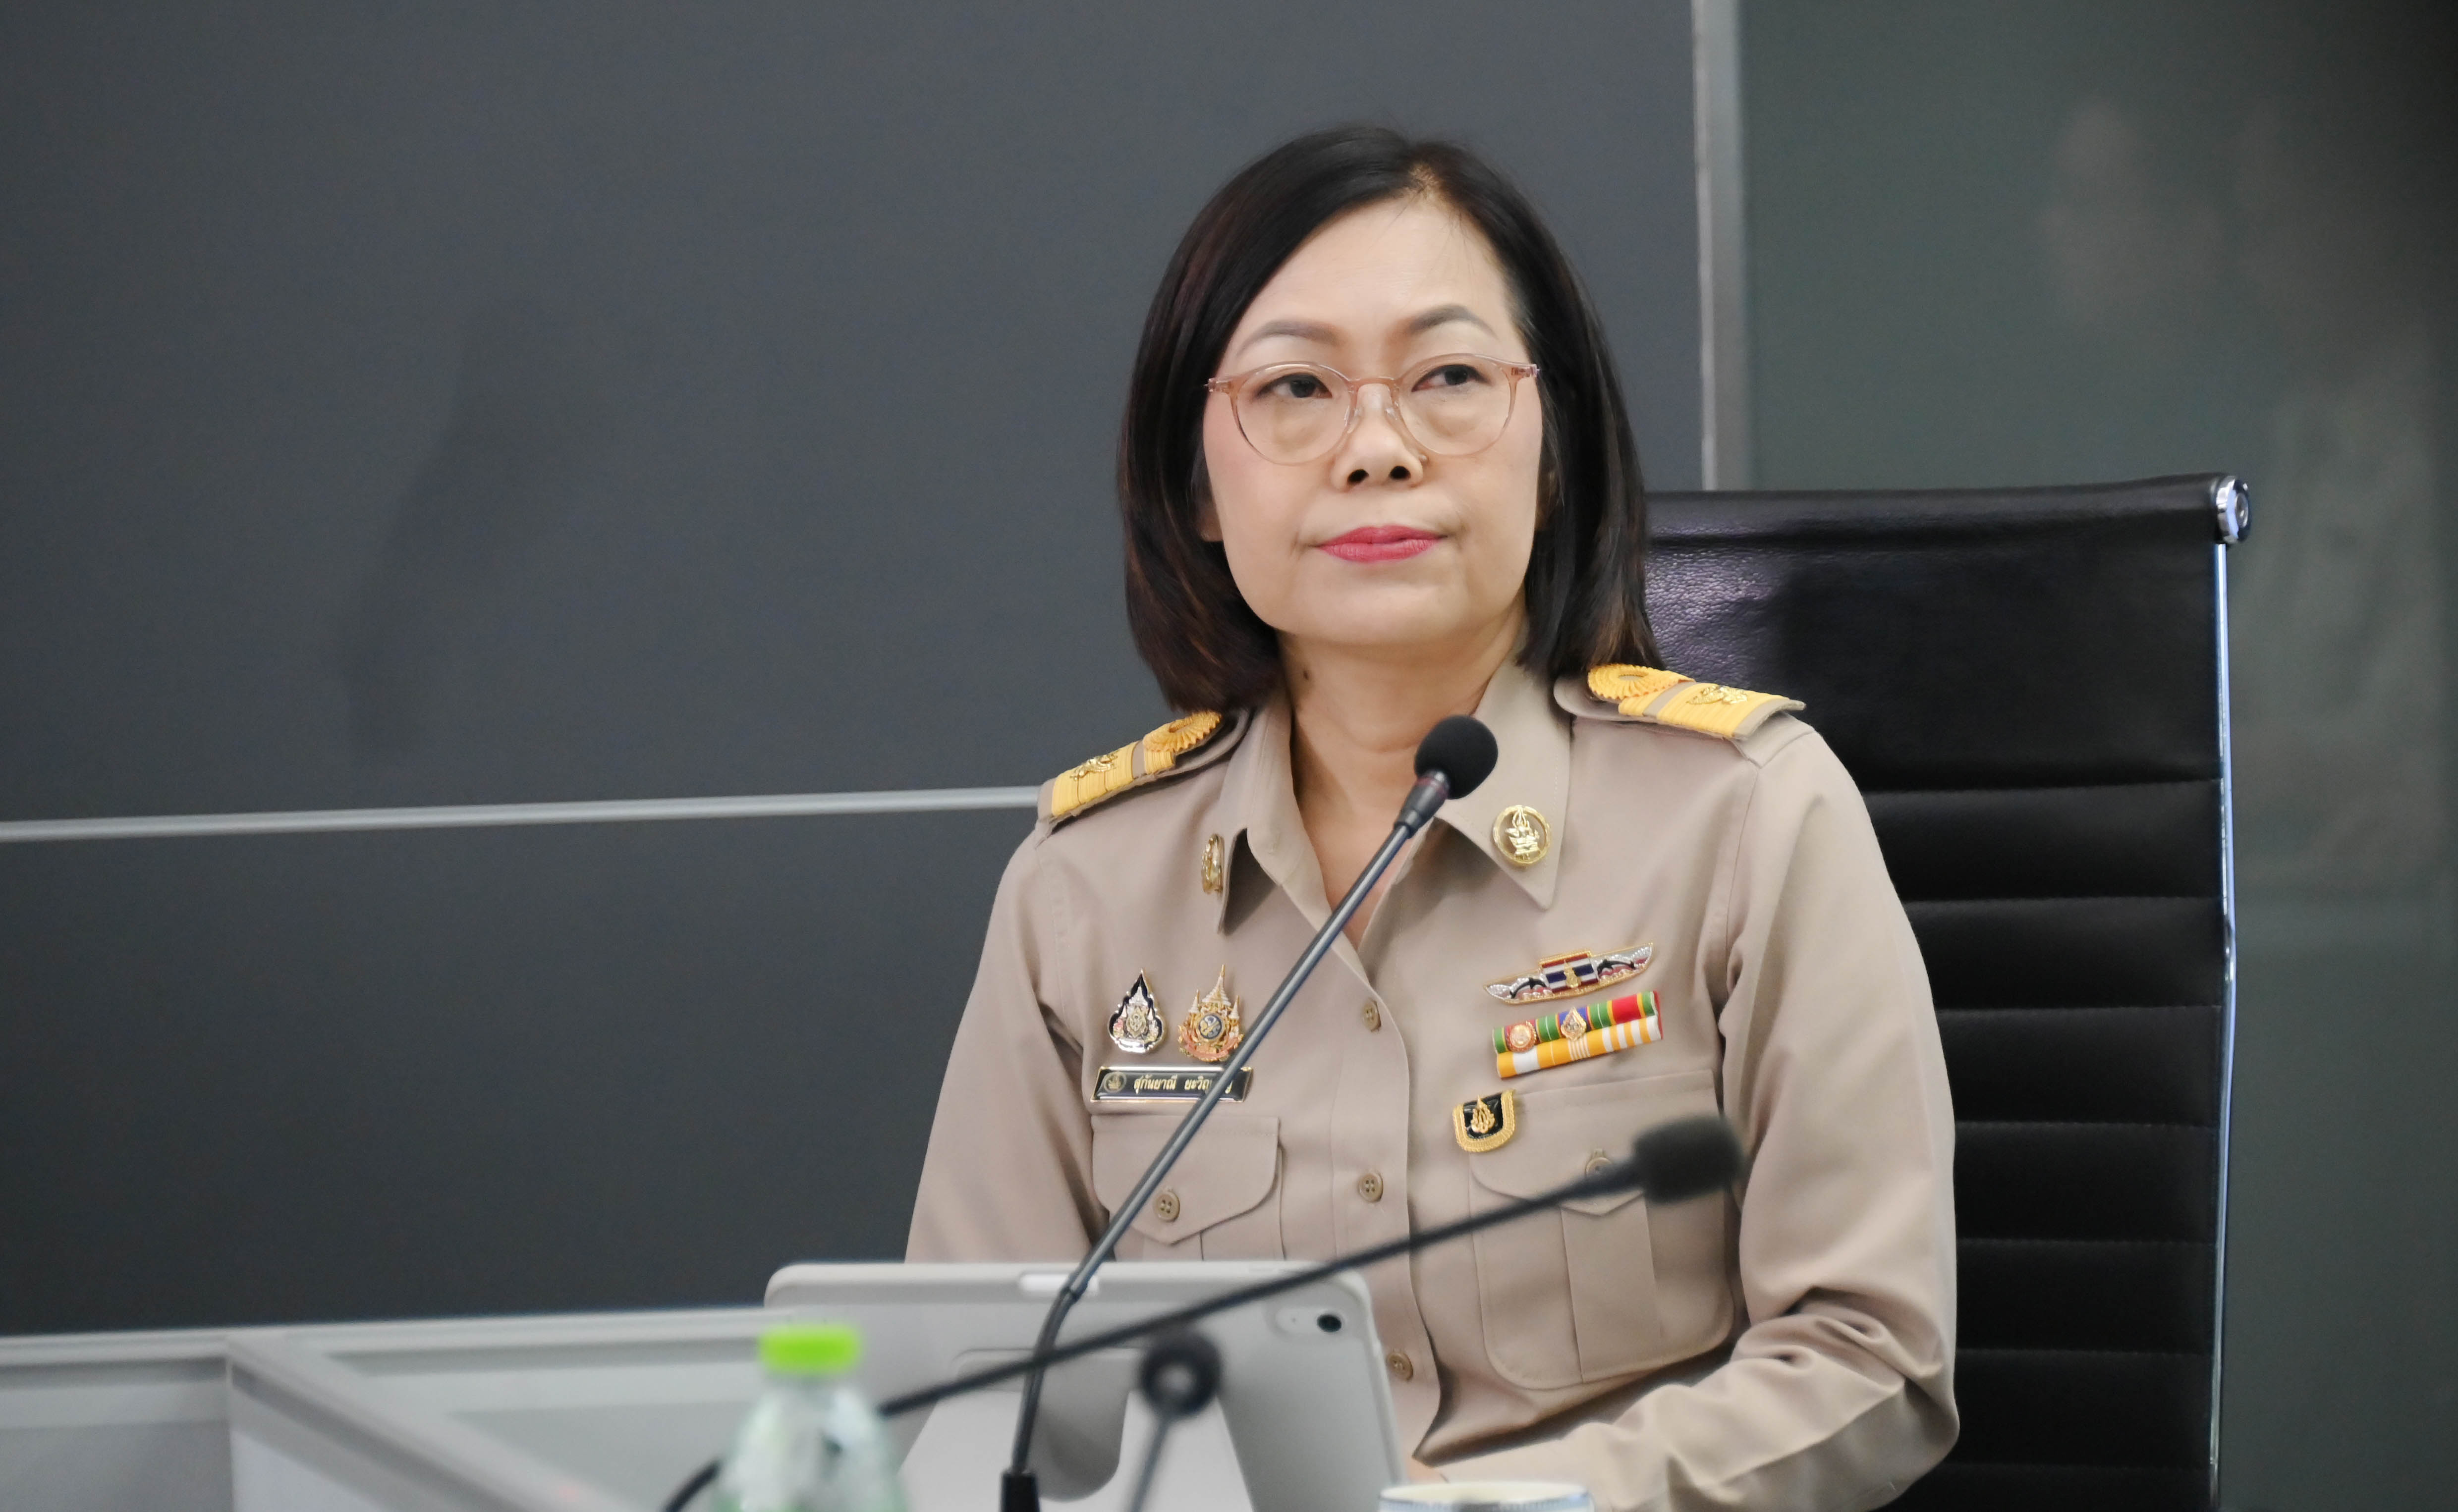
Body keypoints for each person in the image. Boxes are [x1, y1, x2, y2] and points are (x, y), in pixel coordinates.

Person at [907, 126, 1956, 1511]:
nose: (1377, 450)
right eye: (1295, 388)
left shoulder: (1746, 821)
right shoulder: (1084, 894)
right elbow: (977, 1402)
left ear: (1555, 447)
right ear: (1197, 484)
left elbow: (1868, 1356)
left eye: (1450, 377)